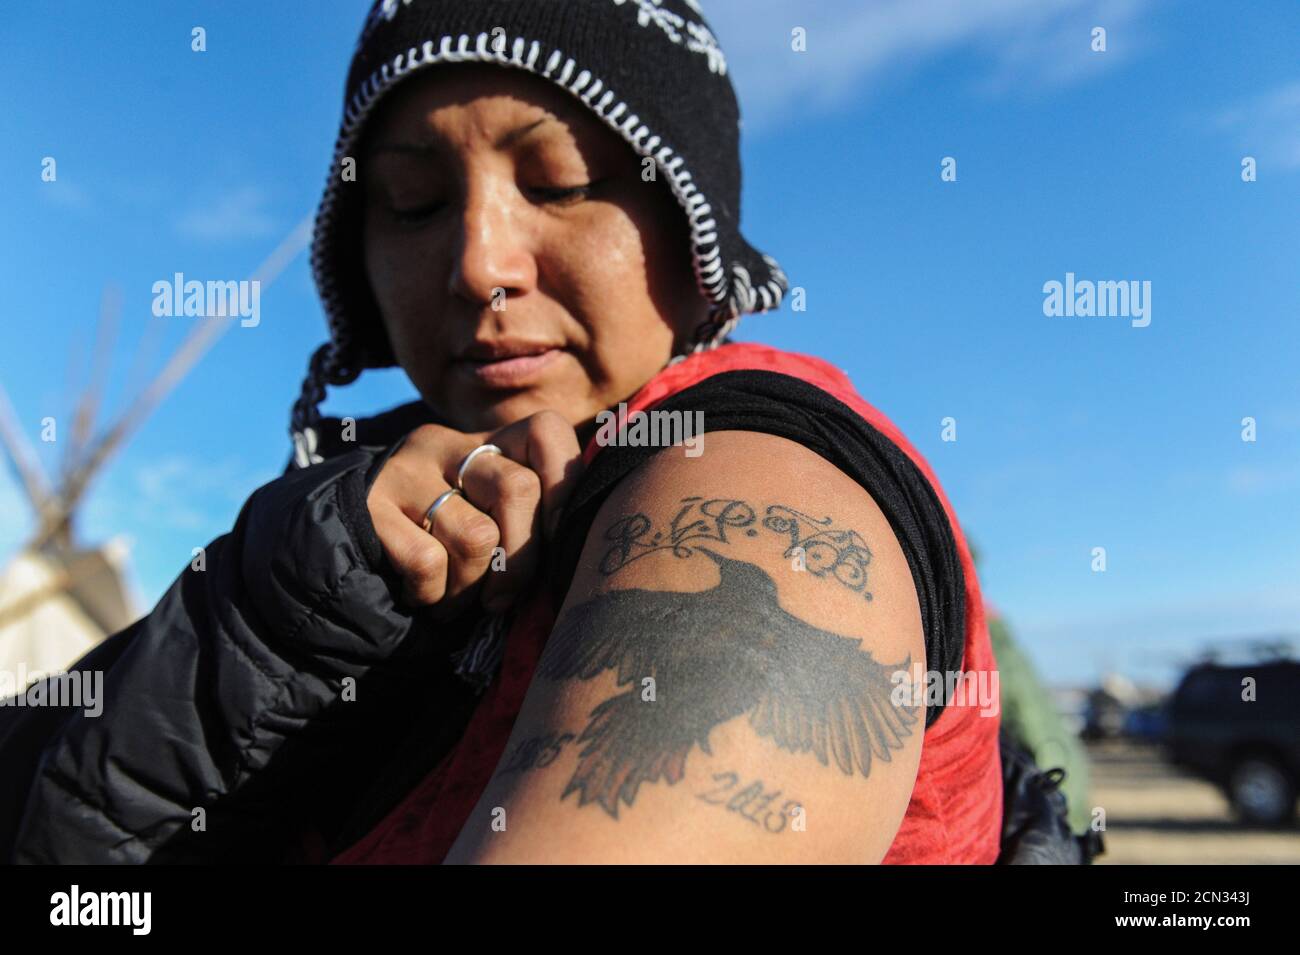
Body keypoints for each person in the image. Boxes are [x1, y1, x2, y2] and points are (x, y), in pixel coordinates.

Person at [0, 0, 1006, 864]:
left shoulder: (753, 477)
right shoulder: (345, 534)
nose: (480, 263)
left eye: (562, 182)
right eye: (414, 201)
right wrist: (270, 619)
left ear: (689, 227)